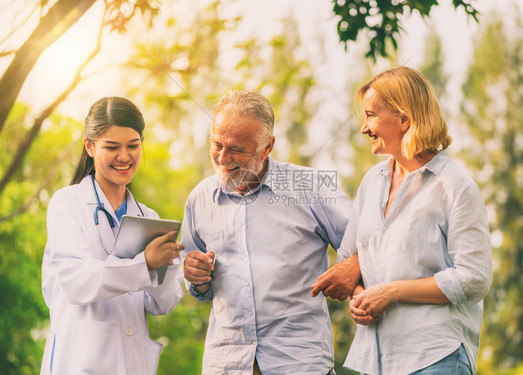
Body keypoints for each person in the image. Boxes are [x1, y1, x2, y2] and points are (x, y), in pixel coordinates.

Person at [181, 90, 360, 374]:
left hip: (298, 363)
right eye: (217, 144)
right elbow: (199, 289)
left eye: (237, 148)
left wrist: (354, 263)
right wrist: (196, 277)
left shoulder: (310, 186)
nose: (223, 157)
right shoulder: (200, 199)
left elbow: (368, 242)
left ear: (267, 146)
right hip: (226, 364)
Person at [340, 66, 493, 374]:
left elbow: (474, 278)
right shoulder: (372, 181)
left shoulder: (454, 184)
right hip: (376, 360)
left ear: (404, 119)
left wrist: (391, 292)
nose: (363, 127)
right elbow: (349, 260)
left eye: (370, 115)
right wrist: (359, 299)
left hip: (436, 357)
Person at [40, 97, 185, 375]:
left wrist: (168, 266)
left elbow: (162, 303)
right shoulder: (67, 204)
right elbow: (76, 281)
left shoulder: (149, 217)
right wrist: (144, 263)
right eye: (112, 147)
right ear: (90, 146)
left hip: (132, 364)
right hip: (79, 362)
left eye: (133, 145)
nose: (124, 157)